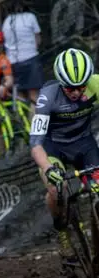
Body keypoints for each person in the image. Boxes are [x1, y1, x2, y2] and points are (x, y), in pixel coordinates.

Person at [29, 48, 99, 261]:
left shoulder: (96, 83)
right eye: (70, 88)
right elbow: (35, 144)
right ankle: (62, 231)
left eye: (81, 87)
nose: (76, 92)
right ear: (60, 82)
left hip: (84, 144)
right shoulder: (47, 97)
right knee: (56, 189)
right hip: (53, 147)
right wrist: (48, 169)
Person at [1, 1, 42, 108]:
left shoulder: (6, 22)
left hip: (13, 63)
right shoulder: (30, 17)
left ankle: (22, 122)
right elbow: (37, 40)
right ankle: (36, 123)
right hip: (30, 59)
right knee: (34, 96)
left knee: (19, 96)